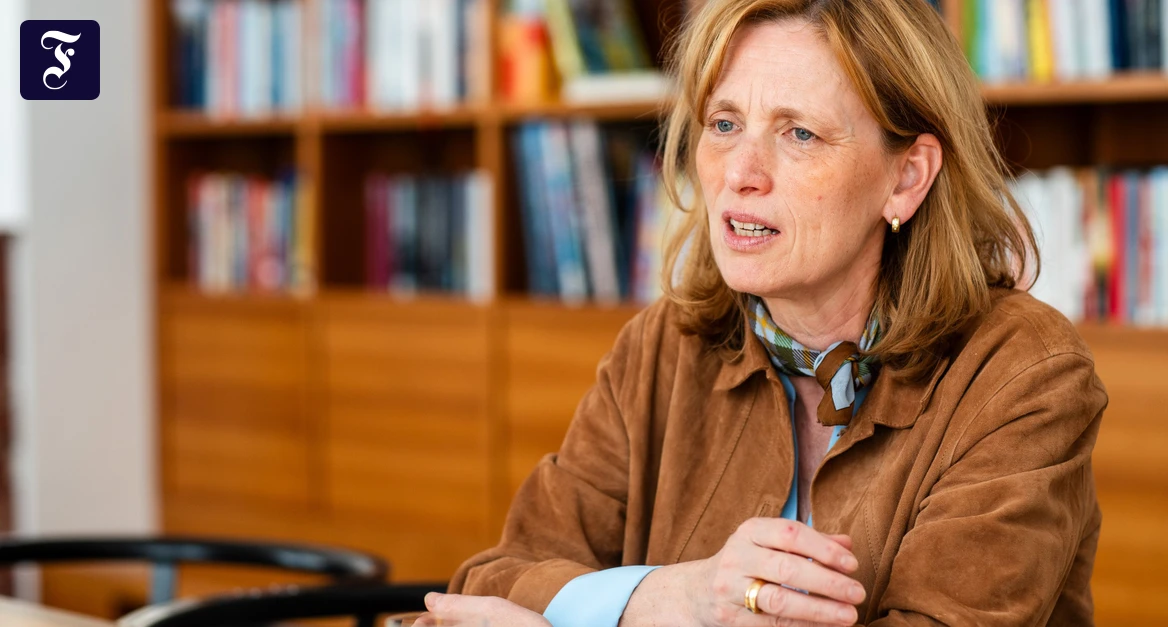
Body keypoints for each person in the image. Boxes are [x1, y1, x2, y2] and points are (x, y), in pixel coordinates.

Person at [418, 0, 1108, 625]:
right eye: (724, 124)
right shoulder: (663, 345)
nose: (740, 172)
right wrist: (673, 598)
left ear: (906, 177)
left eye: (799, 134)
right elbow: (489, 585)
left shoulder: (1021, 373)